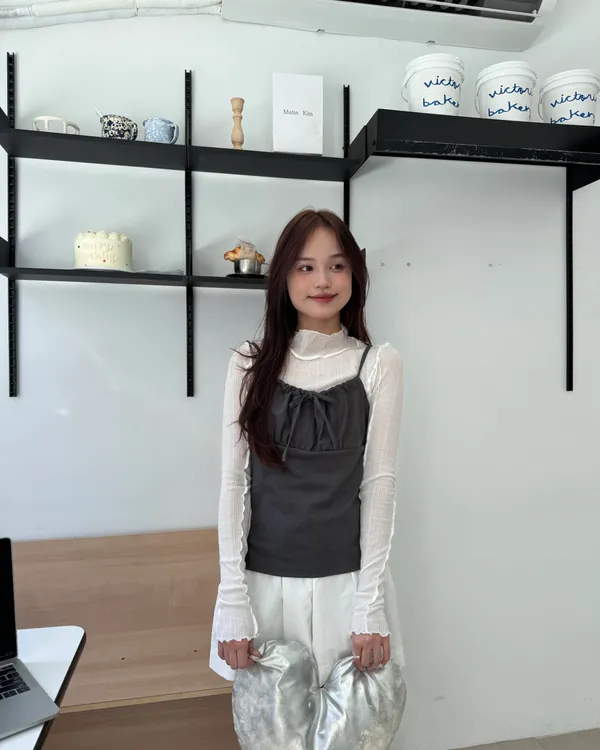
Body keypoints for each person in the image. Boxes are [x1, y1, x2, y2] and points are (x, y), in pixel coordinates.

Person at [209, 208, 405, 693]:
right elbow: (234, 484)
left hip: (348, 587)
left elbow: (379, 485)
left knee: (353, 727)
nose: (322, 280)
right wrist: (233, 599)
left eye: (337, 266)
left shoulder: (378, 364)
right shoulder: (248, 363)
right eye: (305, 266)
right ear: (283, 276)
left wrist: (369, 603)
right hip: (262, 588)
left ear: (355, 276)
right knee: (271, 726)